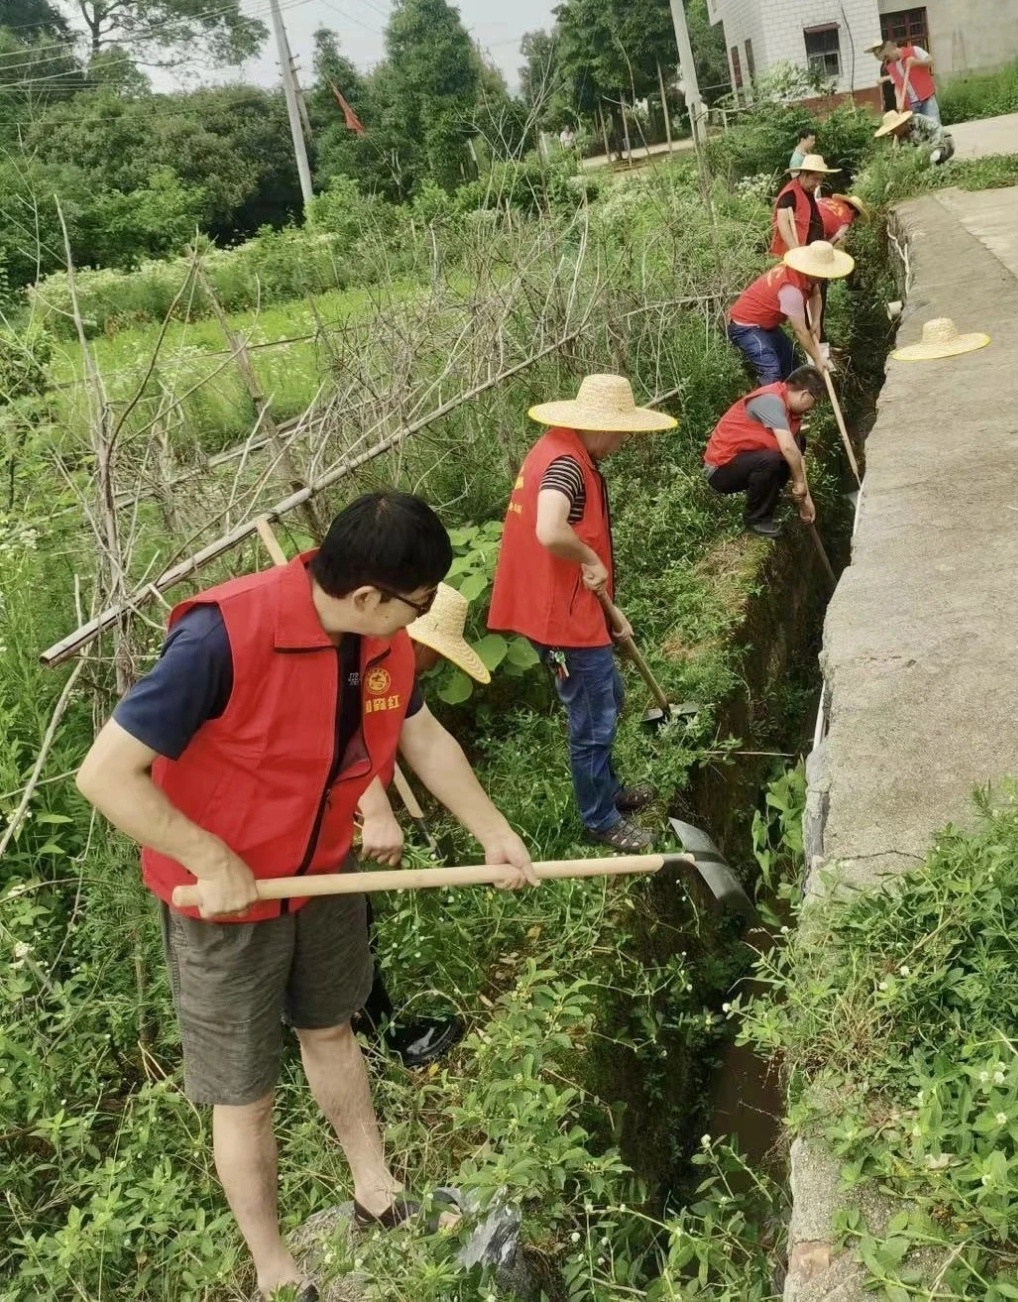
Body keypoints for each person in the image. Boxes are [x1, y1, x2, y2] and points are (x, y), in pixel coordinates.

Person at [75, 492, 538, 1302]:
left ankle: (375, 1186)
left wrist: (492, 830)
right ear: (367, 596)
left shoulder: (382, 644)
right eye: (417, 605)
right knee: (246, 1092)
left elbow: (422, 736)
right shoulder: (223, 636)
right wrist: (208, 855)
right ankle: (274, 1267)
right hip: (222, 908)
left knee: (331, 1030)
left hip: (323, 878)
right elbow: (106, 774)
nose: (419, 621)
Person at [488, 375, 675, 853]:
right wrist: (591, 560)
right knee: (593, 717)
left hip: (568, 605)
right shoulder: (567, 466)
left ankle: (608, 790)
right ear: (600, 426)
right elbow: (550, 530)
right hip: (560, 619)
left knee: (608, 691)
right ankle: (599, 819)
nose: (624, 441)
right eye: (622, 432)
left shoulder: (557, 448)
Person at [355, 581, 493, 1070]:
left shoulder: (396, 671)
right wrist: (374, 809)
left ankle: (373, 1035)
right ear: (419, 643)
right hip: (275, 831)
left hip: (323, 826)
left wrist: (495, 834)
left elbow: (429, 742)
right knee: (346, 929)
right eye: (437, 658)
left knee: (353, 921)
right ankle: (371, 1047)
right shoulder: (356, 657)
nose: (434, 669)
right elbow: (329, 736)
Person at [704, 366, 827, 539]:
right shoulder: (771, 401)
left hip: (747, 462)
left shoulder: (792, 415)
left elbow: (796, 455)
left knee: (795, 448)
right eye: (814, 401)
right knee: (771, 460)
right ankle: (756, 519)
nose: (812, 407)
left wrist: (806, 501)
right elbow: (787, 448)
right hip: (721, 470)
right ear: (804, 394)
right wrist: (798, 483)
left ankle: (768, 499)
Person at [727, 240, 855, 385]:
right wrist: (818, 358)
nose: (824, 276)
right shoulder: (791, 290)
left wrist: (816, 321)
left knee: (791, 363)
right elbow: (800, 330)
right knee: (771, 372)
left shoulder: (806, 274)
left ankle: (790, 402)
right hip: (746, 326)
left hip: (767, 324)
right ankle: (766, 405)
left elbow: (816, 295)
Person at [770, 154, 840, 258]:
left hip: (809, 252)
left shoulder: (807, 189)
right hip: (794, 255)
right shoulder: (790, 194)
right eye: (815, 179)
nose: (818, 183)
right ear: (803, 175)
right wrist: (794, 248)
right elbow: (782, 222)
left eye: (820, 180)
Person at [869, 37, 939, 122]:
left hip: (927, 99)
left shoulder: (914, 50)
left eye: (887, 56)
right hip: (912, 105)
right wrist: (899, 105)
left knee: (935, 128)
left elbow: (930, 60)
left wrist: (916, 62)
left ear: (892, 49)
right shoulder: (891, 66)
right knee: (918, 133)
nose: (887, 60)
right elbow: (898, 87)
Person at [874, 108, 955, 165]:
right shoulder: (899, 137)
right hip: (924, 153)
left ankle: (939, 159)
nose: (894, 133)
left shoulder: (918, 120)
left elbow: (938, 131)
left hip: (943, 142)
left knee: (925, 150)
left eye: (894, 130)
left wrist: (937, 149)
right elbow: (903, 155)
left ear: (900, 125)